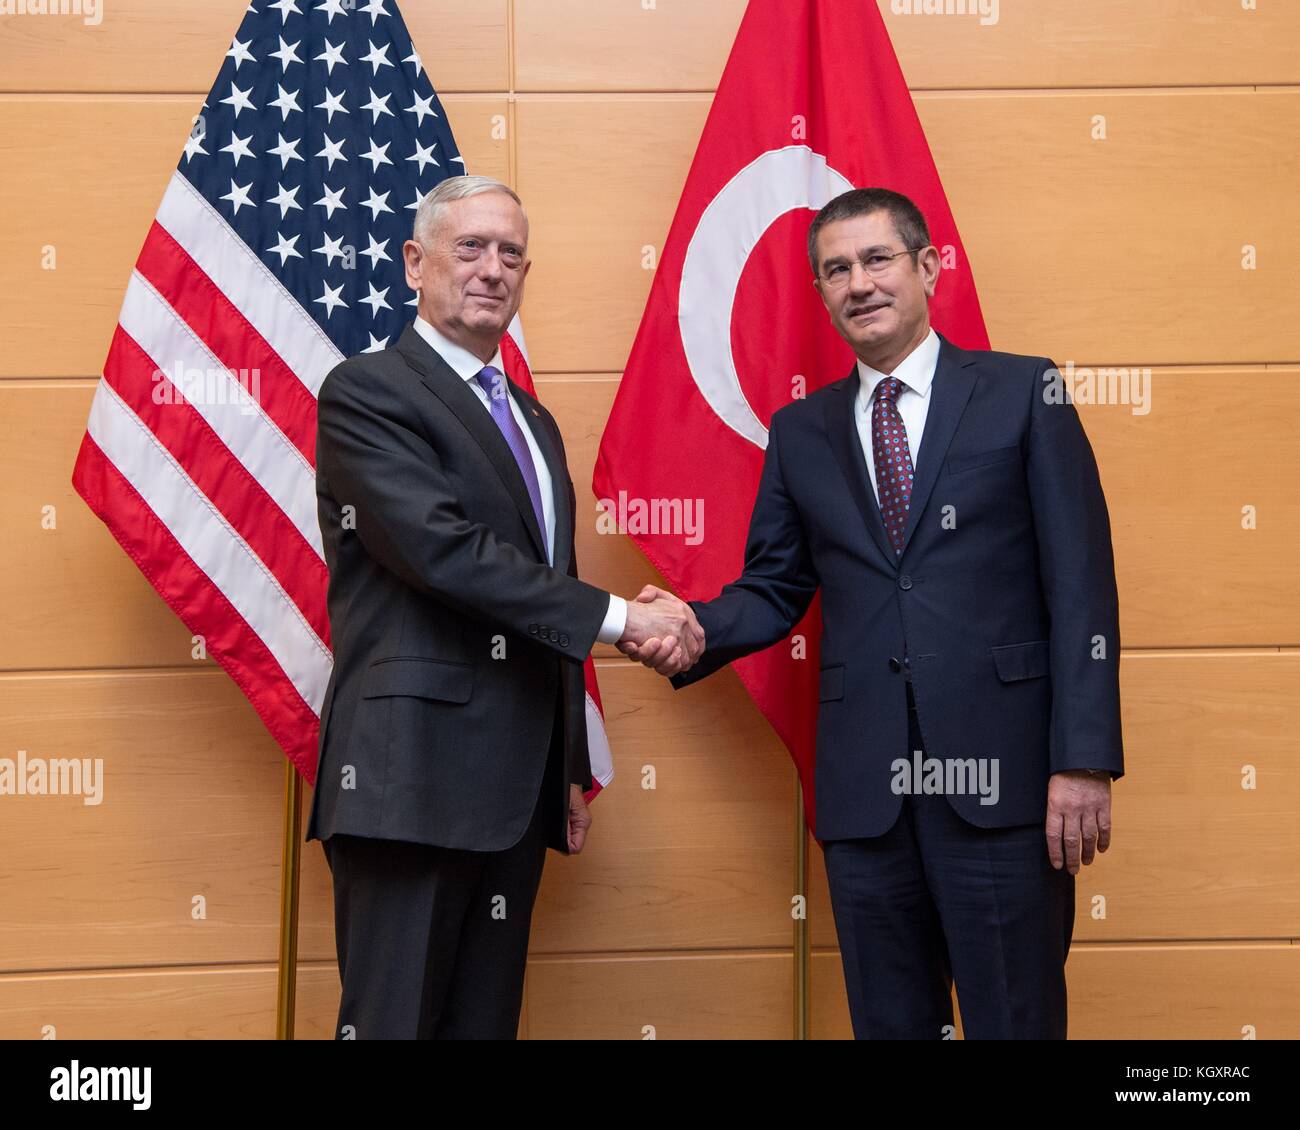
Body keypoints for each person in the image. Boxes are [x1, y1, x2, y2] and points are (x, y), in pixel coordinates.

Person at [622, 187, 1123, 1039]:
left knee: (1017, 1020)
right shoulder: (801, 430)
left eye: (877, 259)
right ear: (822, 293)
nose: (859, 283)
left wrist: (1083, 761)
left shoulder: (1022, 392)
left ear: (928, 268)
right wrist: (696, 627)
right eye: (836, 270)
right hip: (865, 795)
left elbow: (1083, 590)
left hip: (1005, 785)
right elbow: (776, 587)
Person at [306, 175, 703, 1039]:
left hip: (513, 792)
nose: (493, 269)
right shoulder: (367, 392)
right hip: (408, 780)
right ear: (415, 263)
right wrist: (627, 619)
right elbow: (444, 554)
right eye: (470, 247)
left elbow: (530, 594)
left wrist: (560, 762)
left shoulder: (530, 417)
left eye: (511, 253)